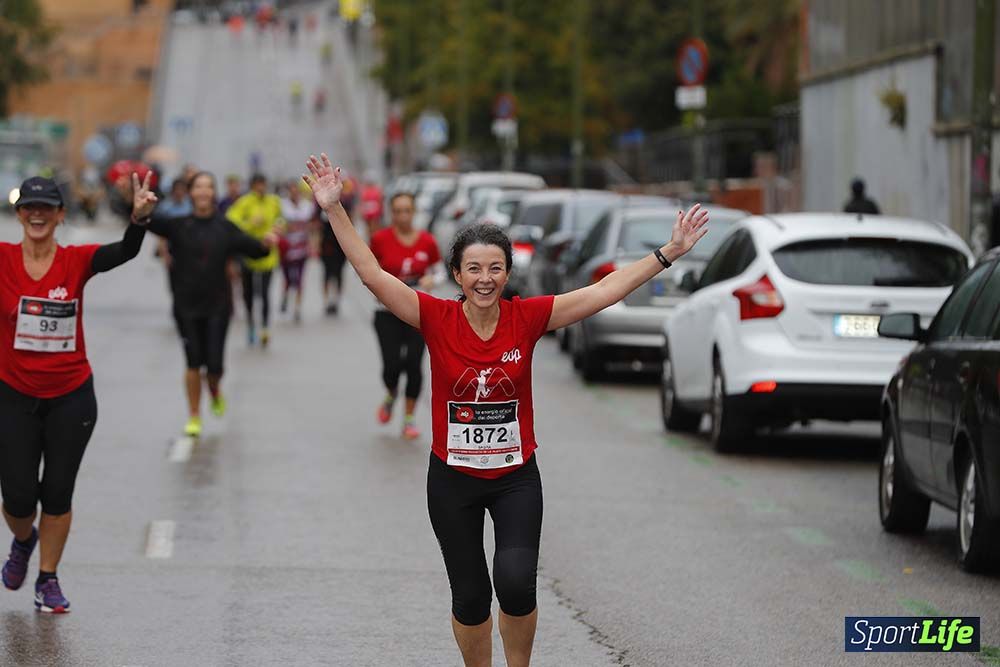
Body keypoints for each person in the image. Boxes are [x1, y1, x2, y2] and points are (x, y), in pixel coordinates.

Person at [303, 153, 708, 667]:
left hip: (516, 477)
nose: (485, 278)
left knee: (515, 583)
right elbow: (369, 273)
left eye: (495, 268)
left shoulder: (528, 318)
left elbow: (603, 291)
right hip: (452, 481)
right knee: (471, 597)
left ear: (508, 273)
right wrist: (335, 210)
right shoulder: (435, 317)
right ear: (456, 274)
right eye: (473, 268)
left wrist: (668, 252)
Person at [0, 173, 155, 614]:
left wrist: (139, 219)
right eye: (29, 207)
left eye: (46, 207)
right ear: (18, 214)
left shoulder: (76, 261)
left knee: (57, 494)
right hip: (12, 395)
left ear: (60, 215)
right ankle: (24, 541)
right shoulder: (2, 259)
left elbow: (125, 251)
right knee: (17, 497)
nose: (37, 214)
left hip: (71, 396)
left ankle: (47, 579)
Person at [140, 172, 276, 437]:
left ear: (214, 193)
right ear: (190, 193)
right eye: (198, 187)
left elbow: (256, 249)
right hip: (186, 306)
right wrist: (136, 207)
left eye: (208, 187)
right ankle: (194, 415)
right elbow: (145, 221)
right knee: (193, 363)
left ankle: (214, 388)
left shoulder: (225, 227)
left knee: (214, 366)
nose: (203, 192)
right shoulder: (178, 225)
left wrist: (267, 242)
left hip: (217, 307)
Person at [369, 192, 444, 440]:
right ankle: (391, 393)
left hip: (418, 311)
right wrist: (380, 289)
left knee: (413, 363)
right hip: (387, 311)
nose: (403, 216)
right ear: (392, 213)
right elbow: (368, 270)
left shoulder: (427, 241)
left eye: (407, 210)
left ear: (414, 212)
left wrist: (432, 279)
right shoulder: (380, 239)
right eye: (398, 211)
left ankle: (409, 419)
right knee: (391, 365)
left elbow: (440, 270)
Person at [226, 173, 282, 347]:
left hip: (268, 255)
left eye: (263, 184)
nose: (261, 188)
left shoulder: (273, 201)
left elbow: (281, 218)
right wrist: (251, 223)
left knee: (265, 293)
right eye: (257, 184)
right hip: (248, 255)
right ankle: (251, 325)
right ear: (252, 186)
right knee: (248, 293)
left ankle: (265, 328)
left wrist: (278, 226)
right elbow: (230, 223)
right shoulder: (244, 202)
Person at [318, 171, 355, 315]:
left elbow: (351, 221)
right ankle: (327, 301)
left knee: (339, 273)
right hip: (326, 244)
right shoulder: (320, 202)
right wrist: (314, 243)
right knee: (326, 273)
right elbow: (316, 225)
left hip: (341, 244)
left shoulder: (346, 203)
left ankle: (337, 300)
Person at [278, 180, 316, 323]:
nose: (294, 193)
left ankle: (297, 308)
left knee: (300, 279)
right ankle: (286, 296)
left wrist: (313, 245)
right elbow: (278, 225)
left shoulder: (307, 207)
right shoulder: (282, 206)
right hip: (286, 250)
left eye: (296, 190)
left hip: (301, 249)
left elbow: (312, 227)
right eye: (291, 190)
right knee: (287, 279)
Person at [359, 171, 384, 237]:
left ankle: (373, 238)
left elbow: (380, 201)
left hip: (375, 213)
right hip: (368, 213)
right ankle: (371, 238)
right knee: (369, 228)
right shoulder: (365, 190)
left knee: (374, 228)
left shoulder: (376, 190)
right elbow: (362, 202)